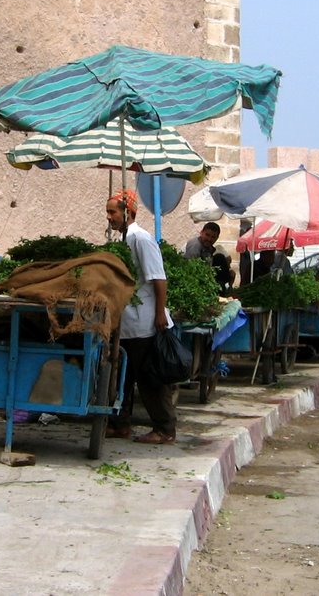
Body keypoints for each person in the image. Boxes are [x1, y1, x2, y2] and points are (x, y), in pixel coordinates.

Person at [104, 188, 177, 445]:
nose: (109, 217)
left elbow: (159, 279)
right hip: (126, 323)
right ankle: (120, 424)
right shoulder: (123, 240)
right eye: (107, 212)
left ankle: (165, 429)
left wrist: (159, 313)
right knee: (122, 376)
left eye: (112, 211)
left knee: (149, 379)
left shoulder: (141, 239)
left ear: (128, 212)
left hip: (144, 321)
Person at [184, 222, 234, 292]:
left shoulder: (208, 247)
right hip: (197, 282)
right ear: (201, 232)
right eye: (207, 235)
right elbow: (191, 270)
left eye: (213, 237)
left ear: (217, 238)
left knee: (220, 258)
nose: (209, 239)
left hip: (207, 278)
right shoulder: (195, 245)